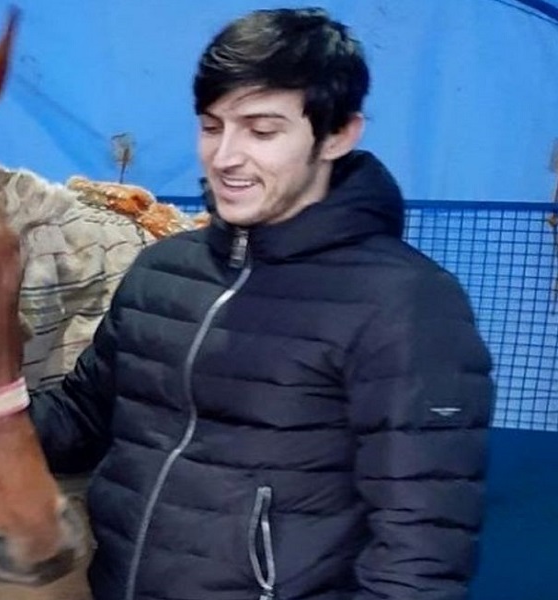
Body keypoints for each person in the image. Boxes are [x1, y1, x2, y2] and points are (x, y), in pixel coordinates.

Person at [29, 7, 494, 600]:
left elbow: (419, 554)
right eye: (211, 126)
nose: (225, 156)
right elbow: (78, 422)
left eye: (262, 131)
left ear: (337, 135)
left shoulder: (407, 304)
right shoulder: (161, 272)